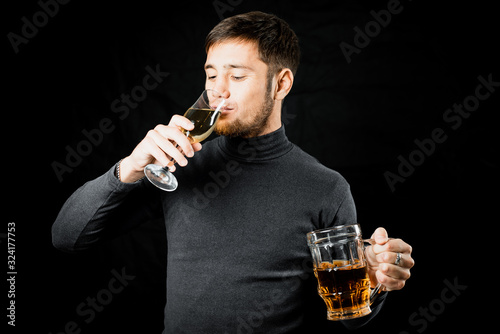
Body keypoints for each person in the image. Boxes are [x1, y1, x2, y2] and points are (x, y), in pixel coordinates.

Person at [52, 11, 414, 333]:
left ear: (281, 84)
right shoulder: (182, 164)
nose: (217, 91)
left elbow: (352, 318)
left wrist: (375, 282)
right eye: (211, 75)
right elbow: (67, 237)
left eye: (237, 76)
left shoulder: (326, 188)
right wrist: (128, 168)